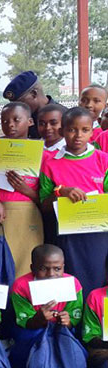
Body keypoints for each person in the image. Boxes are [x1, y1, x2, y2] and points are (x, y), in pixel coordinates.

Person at [39, 107, 108, 299]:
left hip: (97, 234)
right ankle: (71, 316)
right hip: (66, 235)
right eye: (71, 130)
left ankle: (93, 315)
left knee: (97, 277)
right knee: (70, 281)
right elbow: (44, 204)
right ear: (62, 131)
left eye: (85, 130)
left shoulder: (103, 160)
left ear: (92, 132)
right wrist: (61, 192)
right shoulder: (50, 163)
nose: (78, 135)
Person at [0, 102, 43, 277]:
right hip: (0, 214)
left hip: (28, 215)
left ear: (30, 122)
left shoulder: (41, 152)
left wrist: (26, 190)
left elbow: (47, 197)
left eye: (16, 120)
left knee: (26, 266)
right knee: (0, 264)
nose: (10, 125)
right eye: (5, 121)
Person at [10, 244, 82, 356]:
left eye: (57, 269)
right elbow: (24, 321)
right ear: (32, 268)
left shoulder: (73, 284)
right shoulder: (21, 286)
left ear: (63, 267)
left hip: (63, 332)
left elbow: (74, 317)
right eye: (43, 269)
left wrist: (67, 322)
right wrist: (38, 320)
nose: (51, 274)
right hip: (33, 331)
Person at [3, 70, 55, 139]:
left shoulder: (63, 117)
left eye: (20, 103)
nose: (16, 108)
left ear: (33, 94)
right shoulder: (23, 118)